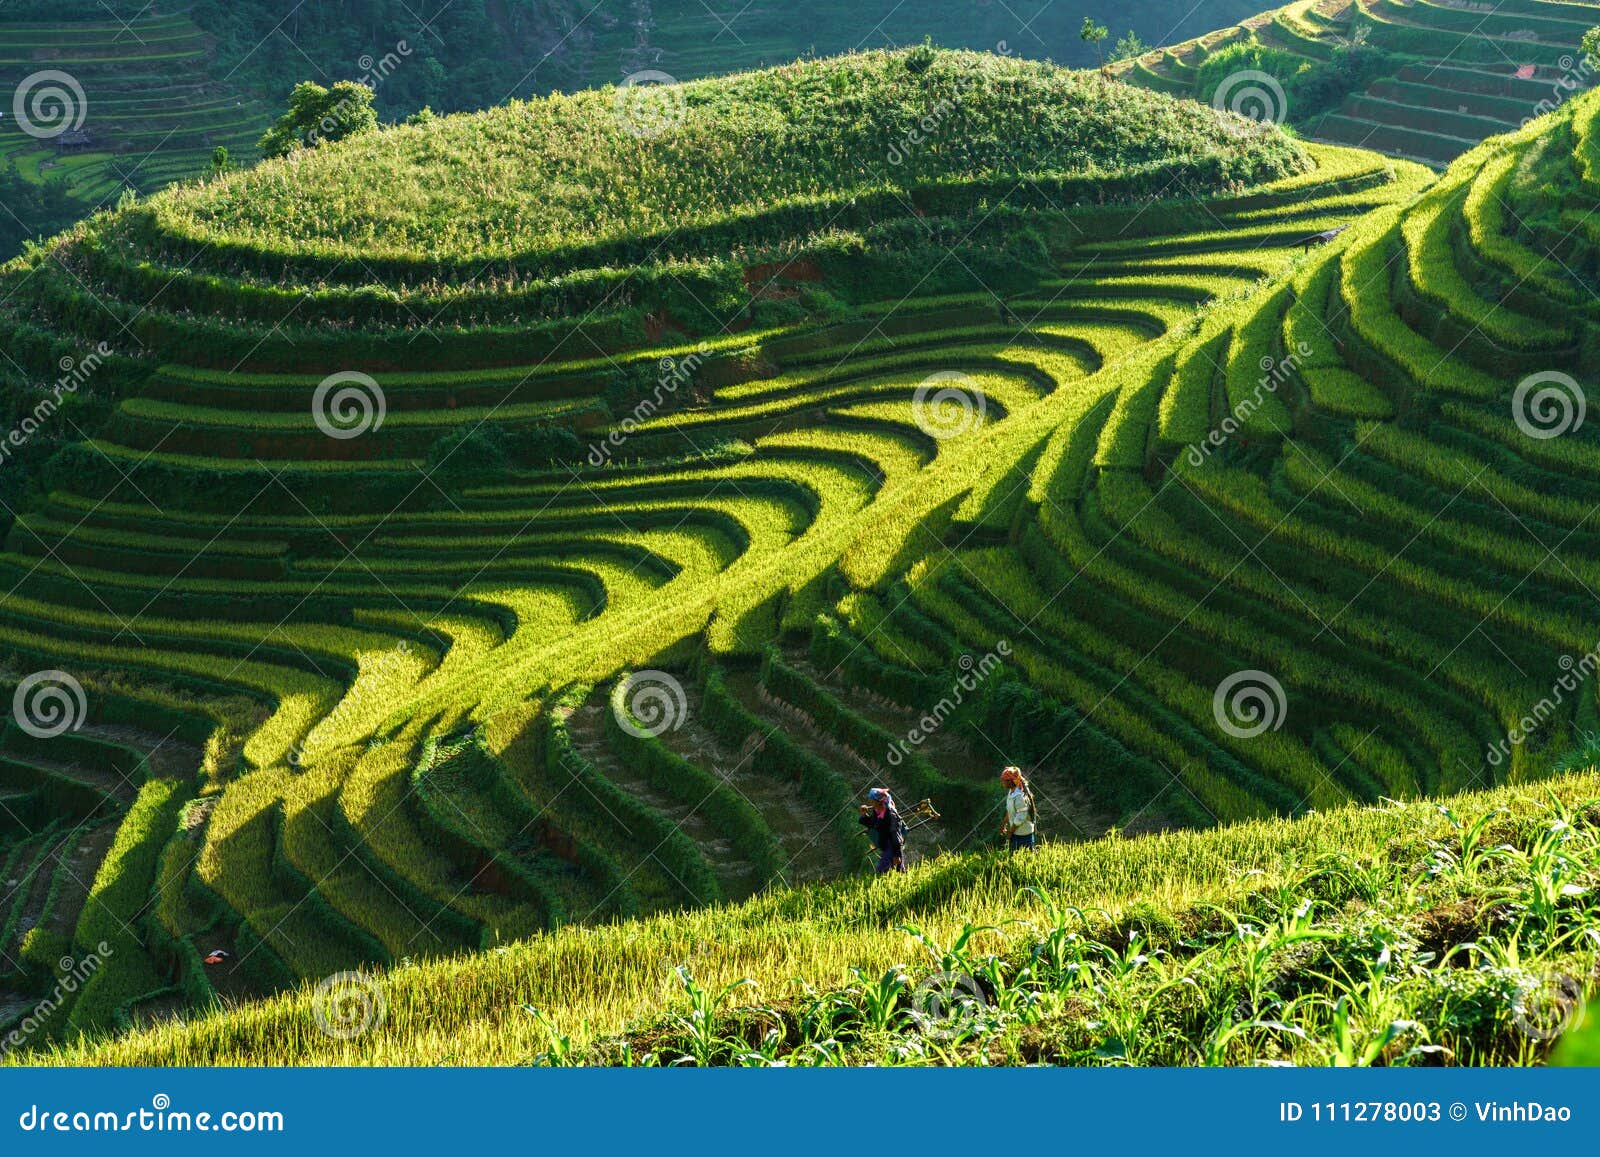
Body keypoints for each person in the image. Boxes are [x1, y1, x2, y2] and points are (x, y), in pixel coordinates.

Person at [858, 787, 906, 874]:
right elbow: (872, 824)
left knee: (882, 870)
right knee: (897, 871)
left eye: (871, 800)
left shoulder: (890, 814)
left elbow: (896, 835)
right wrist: (864, 815)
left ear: (878, 801)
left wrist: (897, 855)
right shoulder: (877, 812)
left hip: (892, 846)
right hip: (886, 844)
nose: (870, 802)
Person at [1000, 766, 1037, 852]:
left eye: (1004, 780)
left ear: (1011, 781)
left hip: (1023, 834)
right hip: (1016, 833)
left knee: (1026, 860)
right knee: (1015, 860)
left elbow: (1020, 817)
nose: (1002, 782)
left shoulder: (1019, 796)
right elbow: (1010, 810)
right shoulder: (1011, 791)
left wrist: (1010, 832)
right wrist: (1004, 823)